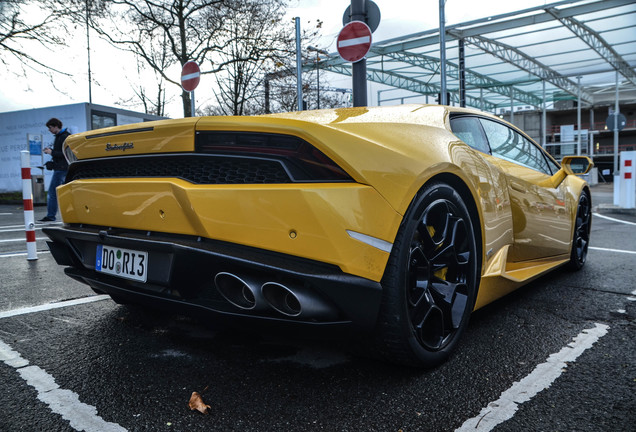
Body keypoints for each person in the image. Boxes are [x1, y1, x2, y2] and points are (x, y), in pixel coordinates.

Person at [39, 118, 70, 222]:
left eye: (50, 127)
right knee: (64, 193)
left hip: (61, 169)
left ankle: (51, 215)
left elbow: (65, 154)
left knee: (52, 193)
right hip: (63, 168)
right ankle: (68, 216)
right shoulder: (62, 136)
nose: (49, 130)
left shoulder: (64, 137)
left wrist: (51, 152)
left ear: (56, 126)